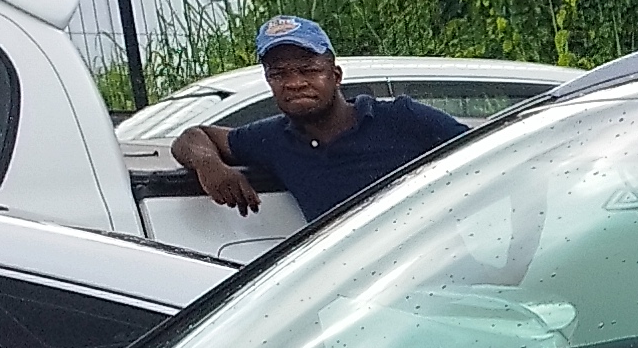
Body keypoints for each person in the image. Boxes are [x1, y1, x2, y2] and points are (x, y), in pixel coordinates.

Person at [172, 18, 468, 226]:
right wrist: (209, 165)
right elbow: (192, 137)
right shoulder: (275, 139)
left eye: (309, 70)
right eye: (279, 74)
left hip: (435, 276)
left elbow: (489, 156)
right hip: (349, 292)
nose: (295, 83)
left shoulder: (402, 119)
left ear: (336, 76)